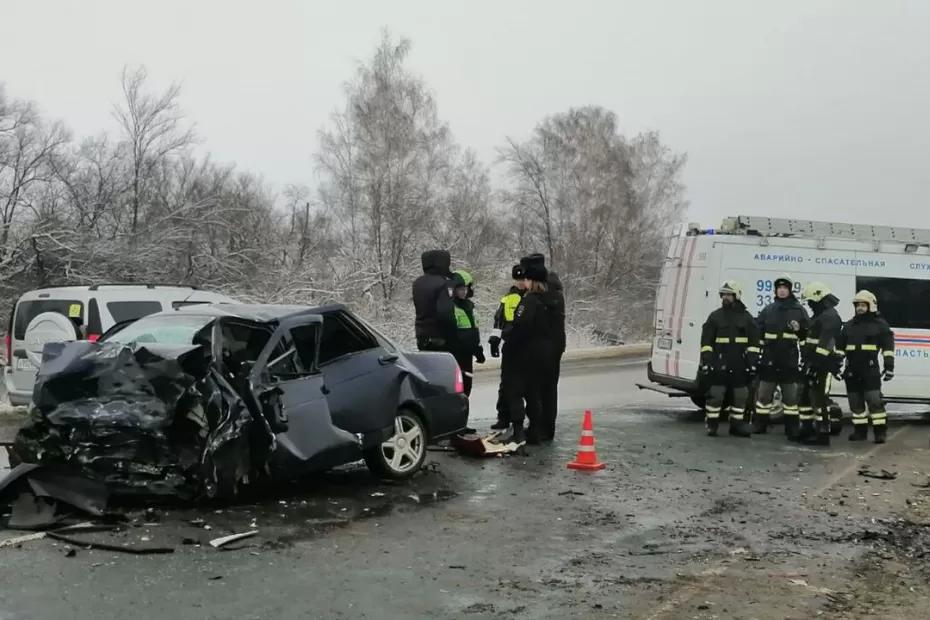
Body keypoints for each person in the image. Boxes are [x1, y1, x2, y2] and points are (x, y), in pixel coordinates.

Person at [504, 262, 560, 444]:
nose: (524, 282)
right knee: (534, 392)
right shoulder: (553, 300)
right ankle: (536, 430)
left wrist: (507, 337)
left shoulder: (529, 301)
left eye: (526, 278)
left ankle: (518, 432)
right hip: (545, 353)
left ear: (532, 280)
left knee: (515, 391)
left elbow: (521, 327)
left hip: (525, 353)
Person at [698, 281, 760, 437]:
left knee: (740, 397)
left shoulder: (747, 318)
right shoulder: (715, 316)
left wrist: (752, 363)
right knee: (716, 396)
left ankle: (737, 426)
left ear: (736, 295)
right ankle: (712, 424)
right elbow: (706, 341)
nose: (725, 297)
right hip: (719, 364)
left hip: (740, 365)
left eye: (729, 294)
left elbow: (754, 343)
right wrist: (707, 360)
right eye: (724, 294)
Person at [836, 290, 895, 444]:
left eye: (863, 305)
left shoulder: (880, 325)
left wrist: (889, 367)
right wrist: (836, 365)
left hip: (870, 370)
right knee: (855, 404)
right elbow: (840, 348)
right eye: (858, 305)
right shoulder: (849, 325)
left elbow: (888, 348)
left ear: (871, 306)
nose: (860, 308)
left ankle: (880, 432)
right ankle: (860, 432)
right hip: (852, 370)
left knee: (875, 402)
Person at [753, 274, 809, 434]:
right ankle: (760, 425)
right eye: (779, 288)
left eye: (785, 288)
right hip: (769, 361)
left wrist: (800, 329)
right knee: (763, 397)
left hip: (789, 362)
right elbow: (759, 333)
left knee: (790, 399)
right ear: (776, 291)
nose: (782, 291)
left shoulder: (799, 311)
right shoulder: (768, 310)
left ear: (790, 291)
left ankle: (791, 428)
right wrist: (757, 357)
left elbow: (807, 335)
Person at [519, 253, 566, 441]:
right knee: (549, 388)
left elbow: (524, 325)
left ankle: (536, 429)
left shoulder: (534, 297)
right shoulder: (555, 291)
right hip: (555, 346)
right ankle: (548, 428)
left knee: (534, 389)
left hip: (538, 348)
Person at [797, 282, 844, 445]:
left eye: (811, 302)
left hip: (824, 366)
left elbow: (825, 345)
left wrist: (816, 367)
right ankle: (807, 429)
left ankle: (822, 434)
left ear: (819, 300)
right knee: (804, 399)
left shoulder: (830, 317)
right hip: (812, 363)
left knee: (819, 400)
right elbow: (811, 337)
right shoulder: (820, 316)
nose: (809, 305)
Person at [489, 265, 525, 431]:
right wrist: (494, 340)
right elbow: (498, 320)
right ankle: (503, 417)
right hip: (510, 344)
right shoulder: (508, 298)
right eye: (518, 280)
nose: (521, 283)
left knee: (524, 384)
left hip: (525, 345)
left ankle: (522, 419)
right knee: (506, 383)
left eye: (523, 279)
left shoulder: (532, 297)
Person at [449, 270, 486, 396]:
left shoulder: (470, 306)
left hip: (468, 353)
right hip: (457, 353)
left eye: (465, 288)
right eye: (460, 289)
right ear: (453, 290)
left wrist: (477, 350)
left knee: (467, 387)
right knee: (459, 388)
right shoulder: (451, 307)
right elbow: (454, 333)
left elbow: (473, 330)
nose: (463, 291)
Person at [412, 250, 456, 352]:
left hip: (421, 334)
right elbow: (446, 313)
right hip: (440, 336)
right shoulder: (444, 283)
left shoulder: (417, 283)